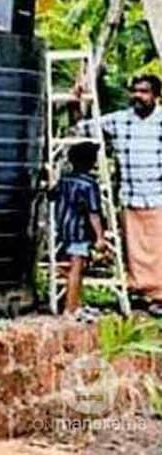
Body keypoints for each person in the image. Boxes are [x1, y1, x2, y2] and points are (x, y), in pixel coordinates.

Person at [76, 74, 162, 317]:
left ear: (155, 96)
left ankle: (160, 296)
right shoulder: (120, 120)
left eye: (144, 92)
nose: (138, 96)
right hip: (130, 196)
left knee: (159, 249)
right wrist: (78, 101)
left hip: (158, 196)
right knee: (135, 249)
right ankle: (143, 292)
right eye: (135, 91)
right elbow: (83, 128)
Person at [52, 141, 108, 320]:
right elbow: (94, 213)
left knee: (75, 267)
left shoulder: (64, 179)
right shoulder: (89, 184)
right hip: (80, 231)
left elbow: (50, 194)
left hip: (64, 229)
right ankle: (70, 309)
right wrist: (100, 237)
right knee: (76, 269)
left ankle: (76, 305)